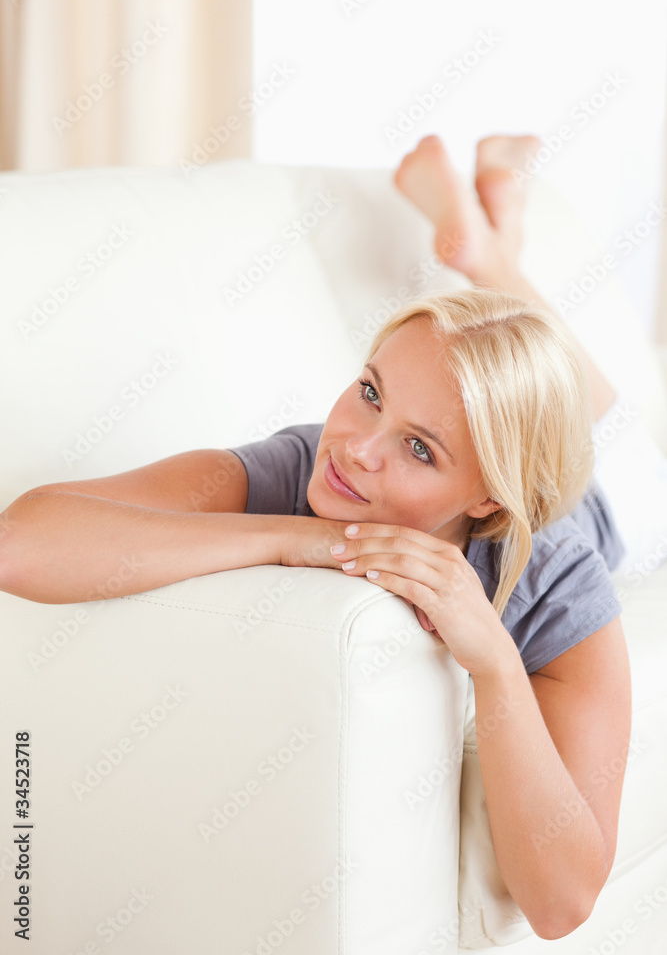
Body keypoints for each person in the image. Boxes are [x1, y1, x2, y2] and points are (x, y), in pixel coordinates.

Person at [0, 133, 632, 942]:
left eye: (418, 448)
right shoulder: (307, 465)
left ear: (484, 496)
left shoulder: (560, 577)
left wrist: (497, 666)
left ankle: (488, 253)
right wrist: (287, 538)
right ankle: (481, 245)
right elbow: (20, 543)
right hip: (504, 455)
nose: (357, 449)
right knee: (537, 382)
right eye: (370, 392)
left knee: (593, 407)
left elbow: (560, 903)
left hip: (589, 506)